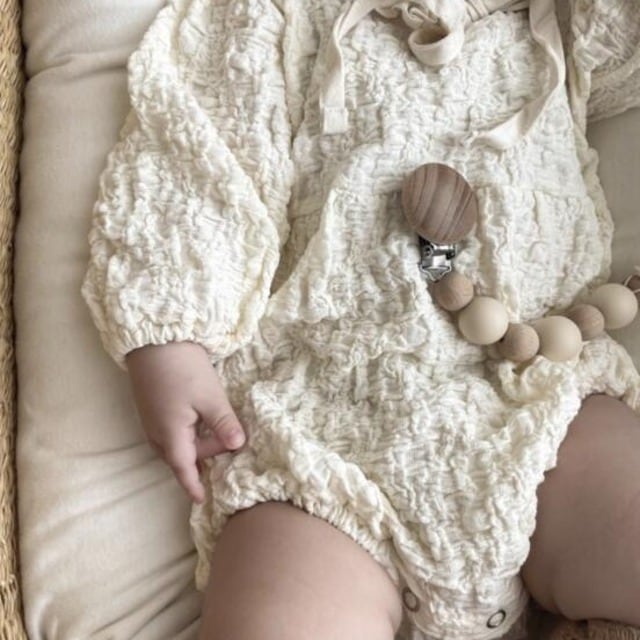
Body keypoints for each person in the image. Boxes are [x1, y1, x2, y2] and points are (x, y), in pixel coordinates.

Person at [82, 0, 640, 637]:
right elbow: (194, 153)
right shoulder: (270, 16)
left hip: (541, 394)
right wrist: (169, 337)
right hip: (322, 425)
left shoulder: (560, 19)